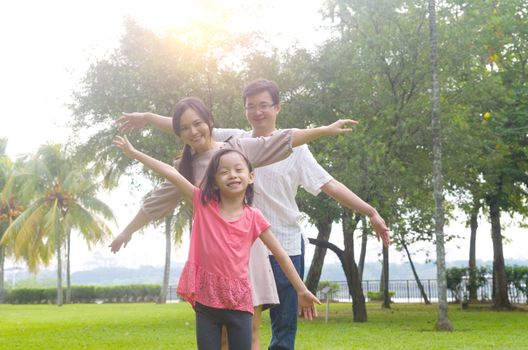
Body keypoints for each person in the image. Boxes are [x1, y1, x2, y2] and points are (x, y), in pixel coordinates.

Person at [117, 82, 390, 349]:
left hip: (264, 249)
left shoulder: (238, 146)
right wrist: (127, 230)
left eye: (264, 106)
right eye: (251, 106)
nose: (194, 130)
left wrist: (325, 131)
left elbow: (286, 141)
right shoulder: (202, 158)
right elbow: (158, 193)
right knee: (223, 336)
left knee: (260, 334)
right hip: (221, 261)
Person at [113, 135, 322, 349]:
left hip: (240, 304)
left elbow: (280, 254)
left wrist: (301, 289)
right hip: (207, 305)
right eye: (224, 171)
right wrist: (134, 153)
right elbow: (171, 173)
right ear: (213, 180)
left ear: (251, 176)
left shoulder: (254, 216)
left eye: (238, 170)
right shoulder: (203, 205)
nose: (232, 175)